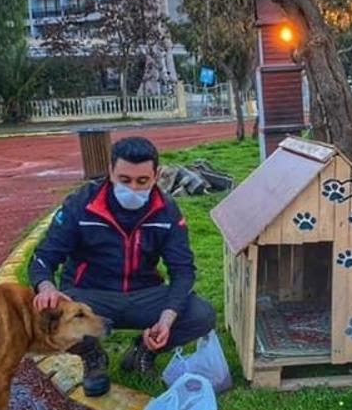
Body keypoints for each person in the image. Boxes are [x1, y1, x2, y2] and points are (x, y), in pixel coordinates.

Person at [30, 136, 216, 396]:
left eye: (142, 181)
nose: (132, 188)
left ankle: (144, 349)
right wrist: (47, 287)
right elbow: (43, 257)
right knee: (47, 316)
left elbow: (183, 270)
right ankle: (92, 356)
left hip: (144, 294)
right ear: (110, 172)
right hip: (90, 295)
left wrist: (166, 317)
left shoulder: (168, 212)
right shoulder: (81, 204)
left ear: (157, 175)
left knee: (201, 314)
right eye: (124, 180)